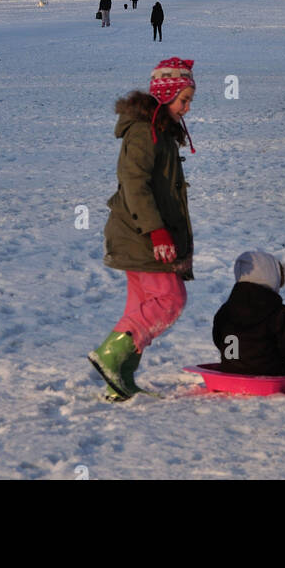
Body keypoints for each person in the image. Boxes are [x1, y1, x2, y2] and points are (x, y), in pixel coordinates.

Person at [88, 58, 196, 401]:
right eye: (183, 99)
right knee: (169, 299)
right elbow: (134, 184)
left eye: (190, 99)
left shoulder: (161, 131)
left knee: (141, 306)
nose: (188, 108)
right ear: (165, 96)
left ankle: (119, 381)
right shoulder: (144, 132)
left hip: (143, 233)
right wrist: (158, 232)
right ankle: (108, 354)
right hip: (140, 234)